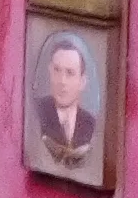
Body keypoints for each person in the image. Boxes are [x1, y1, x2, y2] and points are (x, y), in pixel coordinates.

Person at [34, 35, 99, 170]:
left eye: (70, 73)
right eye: (57, 70)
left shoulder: (91, 123)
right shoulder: (35, 112)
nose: (62, 81)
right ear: (49, 72)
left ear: (82, 81)